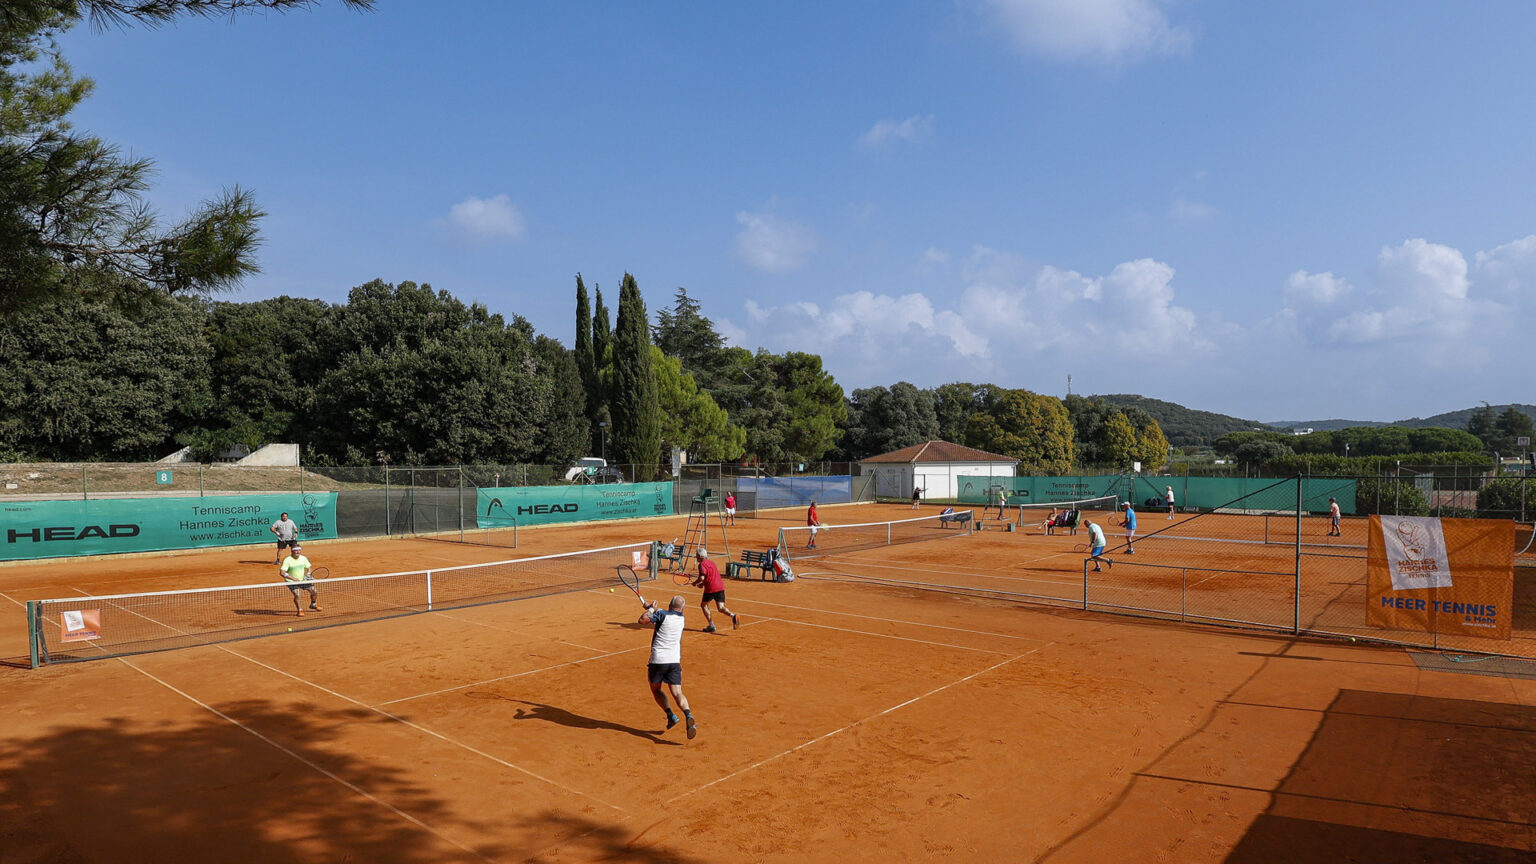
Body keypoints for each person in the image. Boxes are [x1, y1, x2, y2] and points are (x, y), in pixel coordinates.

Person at [638, 593, 696, 739]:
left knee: (656, 689)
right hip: (674, 661)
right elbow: (665, 614)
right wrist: (651, 608)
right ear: (682, 609)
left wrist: (651, 609)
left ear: (670, 605)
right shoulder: (681, 618)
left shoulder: (662, 614)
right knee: (677, 692)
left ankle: (671, 715)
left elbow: (642, 620)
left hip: (658, 661)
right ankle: (688, 714)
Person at [692, 548, 739, 633]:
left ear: (700, 556)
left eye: (697, 555)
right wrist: (703, 584)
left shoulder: (701, 565)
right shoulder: (712, 563)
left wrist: (695, 583)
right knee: (721, 607)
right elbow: (709, 576)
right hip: (720, 586)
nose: (696, 557)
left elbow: (702, 577)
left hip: (710, 589)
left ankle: (711, 625)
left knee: (704, 605)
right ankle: (733, 616)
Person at [278, 542, 321, 616]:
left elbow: (308, 567)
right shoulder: (287, 560)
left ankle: (313, 604)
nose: (298, 552)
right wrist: (293, 579)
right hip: (291, 581)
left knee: (314, 591)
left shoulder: (303, 558)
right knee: (297, 594)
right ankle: (300, 610)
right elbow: (282, 573)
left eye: (299, 550)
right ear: (292, 551)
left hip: (303, 580)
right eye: (296, 550)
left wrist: (308, 574)